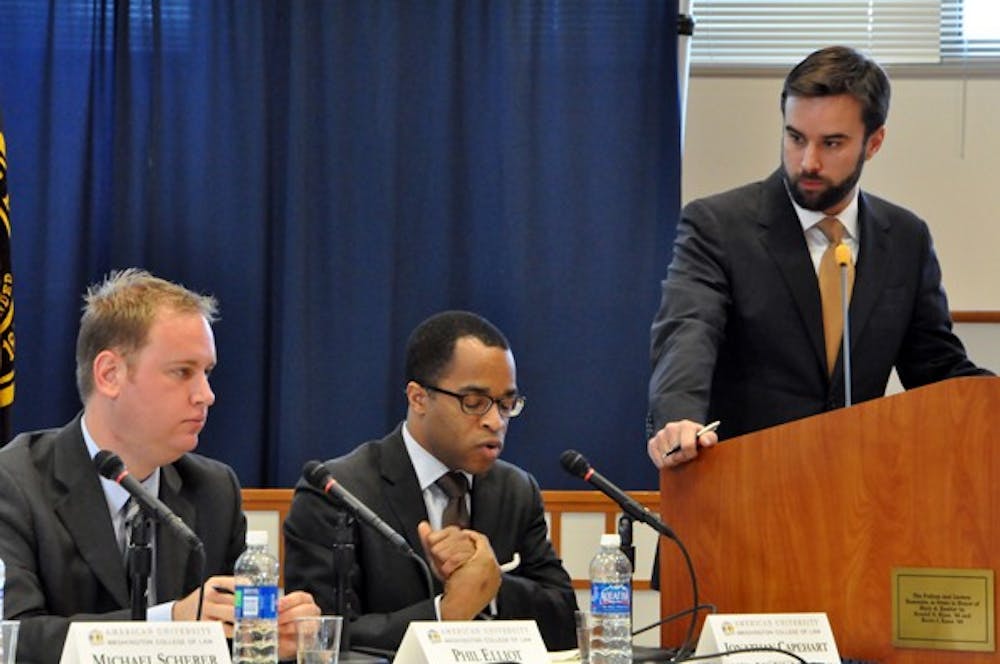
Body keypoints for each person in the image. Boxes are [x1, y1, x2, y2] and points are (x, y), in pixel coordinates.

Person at [647, 45, 993, 469]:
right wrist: (679, 418)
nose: (808, 162)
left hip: (853, 500)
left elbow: (937, 367)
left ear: (874, 141)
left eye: (832, 143)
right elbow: (688, 331)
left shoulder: (905, 239)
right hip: (739, 492)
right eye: (796, 138)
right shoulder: (717, 226)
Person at [0, 269, 319, 663]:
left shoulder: (214, 489)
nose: (207, 395)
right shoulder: (14, 482)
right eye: (183, 372)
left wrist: (271, 636)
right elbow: (14, 637)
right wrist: (169, 622)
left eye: (207, 373)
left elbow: (231, 639)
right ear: (110, 374)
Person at [283, 310, 577, 653]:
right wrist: (445, 614)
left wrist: (492, 586)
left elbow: (566, 622)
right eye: (475, 403)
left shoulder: (516, 490)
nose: (496, 421)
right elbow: (319, 638)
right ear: (418, 397)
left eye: (507, 403)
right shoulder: (338, 492)